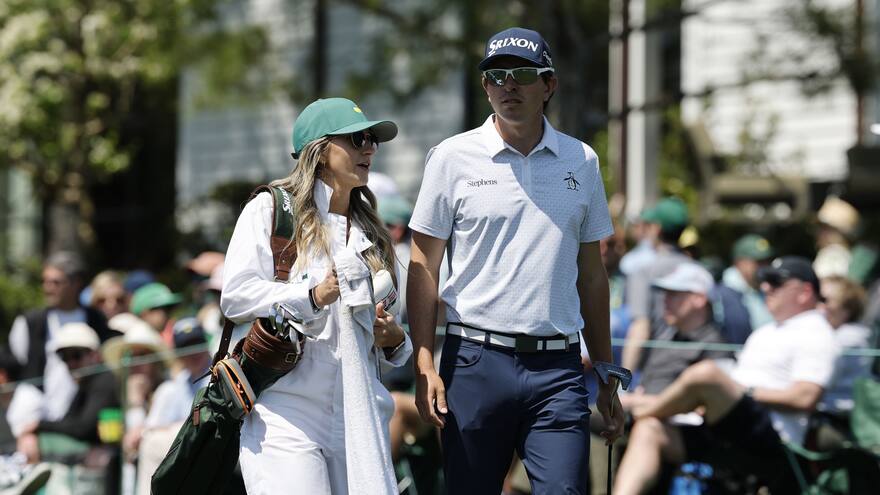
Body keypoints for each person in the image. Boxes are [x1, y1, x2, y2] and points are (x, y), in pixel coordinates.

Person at [407, 27, 623, 495]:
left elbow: (592, 276)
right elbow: (422, 264)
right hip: (473, 362)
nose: (508, 85)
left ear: (549, 85)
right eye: (496, 75)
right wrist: (424, 361)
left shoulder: (581, 160)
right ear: (485, 87)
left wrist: (605, 368)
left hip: (559, 368)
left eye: (523, 74)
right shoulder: (451, 157)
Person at [220, 97, 412, 495]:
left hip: (360, 413)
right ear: (321, 151)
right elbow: (235, 295)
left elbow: (389, 334)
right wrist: (312, 295)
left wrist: (394, 338)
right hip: (285, 410)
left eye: (373, 139)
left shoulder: (373, 232)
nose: (370, 148)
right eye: (358, 138)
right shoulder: (271, 210)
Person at [613, 256, 839, 494]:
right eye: (764, 281)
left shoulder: (817, 332)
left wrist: (743, 392)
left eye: (775, 282)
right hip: (728, 429)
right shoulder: (767, 330)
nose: (765, 288)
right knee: (650, 429)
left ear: (804, 291)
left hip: (772, 441)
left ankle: (631, 414)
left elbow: (805, 397)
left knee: (705, 374)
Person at [6, 252, 118, 433]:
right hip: (36, 414)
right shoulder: (30, 322)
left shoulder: (95, 319)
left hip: (82, 413)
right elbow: (15, 367)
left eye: (56, 282)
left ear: (76, 283)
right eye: (45, 281)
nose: (48, 288)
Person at [722, 234, 774, 330]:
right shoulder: (722, 295)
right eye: (758, 262)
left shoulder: (767, 289)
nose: (764, 266)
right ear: (739, 263)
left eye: (767, 261)